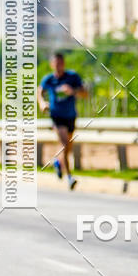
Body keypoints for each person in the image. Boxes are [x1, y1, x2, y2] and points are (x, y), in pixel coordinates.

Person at [37, 52, 87, 191]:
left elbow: (85, 93)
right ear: (51, 64)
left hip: (70, 116)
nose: (58, 66)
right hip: (56, 116)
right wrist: (42, 103)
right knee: (64, 144)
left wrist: (73, 91)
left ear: (64, 64)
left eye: (61, 63)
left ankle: (58, 162)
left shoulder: (72, 77)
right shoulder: (49, 79)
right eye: (56, 64)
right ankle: (70, 177)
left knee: (68, 147)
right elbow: (39, 91)